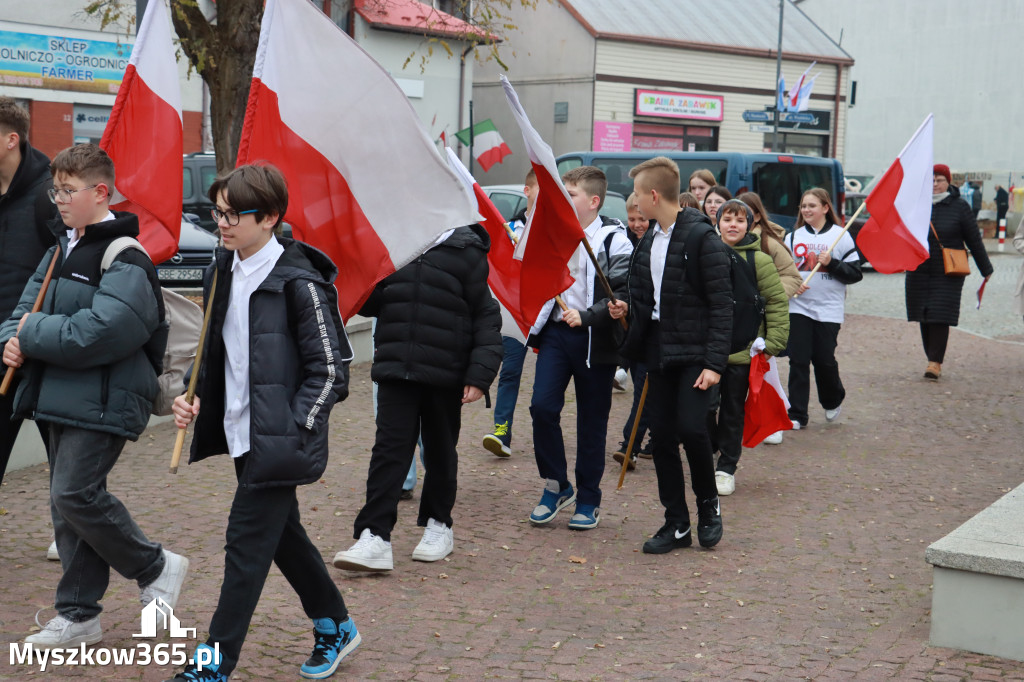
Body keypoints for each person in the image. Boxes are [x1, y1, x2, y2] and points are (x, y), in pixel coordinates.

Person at [163, 164, 358, 681]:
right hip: (240, 433)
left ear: (270, 217)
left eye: (232, 214)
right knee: (283, 535)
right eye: (216, 212)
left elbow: (333, 369)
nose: (220, 224)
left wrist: (295, 428)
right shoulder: (221, 270)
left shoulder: (301, 282)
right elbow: (214, 355)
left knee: (245, 543)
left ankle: (213, 664)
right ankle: (336, 624)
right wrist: (193, 394)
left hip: (279, 441)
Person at [0, 144, 187, 648]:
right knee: (66, 507)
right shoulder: (61, 248)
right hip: (57, 393)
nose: (57, 200)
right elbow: (23, 308)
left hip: (105, 400)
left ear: (100, 192)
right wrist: (11, 341)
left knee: (74, 494)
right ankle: (79, 614)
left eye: (66, 190)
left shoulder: (124, 256)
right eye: (54, 189)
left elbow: (103, 331)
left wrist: (31, 333)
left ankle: (155, 565)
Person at [333, 224, 501, 571]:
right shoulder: (396, 243)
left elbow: (485, 314)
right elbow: (377, 300)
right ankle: (375, 535)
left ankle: (439, 525)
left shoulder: (467, 252)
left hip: (445, 372)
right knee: (388, 451)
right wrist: (357, 275)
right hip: (397, 368)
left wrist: (479, 375)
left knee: (439, 451)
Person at [610, 156, 730, 554]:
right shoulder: (648, 239)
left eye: (639, 197)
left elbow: (721, 305)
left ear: (654, 195)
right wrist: (627, 307)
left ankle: (707, 506)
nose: (635, 206)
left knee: (693, 429)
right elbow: (643, 294)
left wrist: (714, 364)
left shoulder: (702, 238)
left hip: (696, 354)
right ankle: (676, 522)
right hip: (658, 350)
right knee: (660, 437)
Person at [527, 166, 631, 531]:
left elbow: (622, 291)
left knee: (592, 423)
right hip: (557, 333)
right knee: (541, 408)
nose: (563, 199)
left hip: (596, 339)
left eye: (570, 194)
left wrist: (588, 316)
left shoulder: (614, 239)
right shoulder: (553, 233)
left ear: (594, 201)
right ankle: (556, 484)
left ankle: (588, 498)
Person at [710, 200, 789, 496]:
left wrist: (774, 342)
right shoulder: (704, 254)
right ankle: (711, 450)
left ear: (749, 225)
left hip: (743, 351)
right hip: (708, 349)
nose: (733, 225)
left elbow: (777, 303)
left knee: (732, 410)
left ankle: (726, 467)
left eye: (739, 220)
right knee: (703, 408)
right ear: (717, 222)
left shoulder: (761, 261)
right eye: (727, 219)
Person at [0, 97, 56, 488]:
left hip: (40, 347)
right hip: (1, 347)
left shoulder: (49, 194)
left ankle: (72, 531)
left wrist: (39, 330)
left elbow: (70, 266)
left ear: (10, 140)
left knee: (65, 457)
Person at [905, 164, 993, 380]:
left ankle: (935, 362)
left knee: (939, 315)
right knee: (923, 315)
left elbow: (974, 239)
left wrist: (985, 268)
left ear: (948, 182)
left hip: (948, 270)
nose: (935, 184)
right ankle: (931, 356)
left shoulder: (960, 207)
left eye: (940, 180)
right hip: (919, 269)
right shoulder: (916, 205)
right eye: (931, 180)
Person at [784, 188, 862, 429]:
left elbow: (855, 274)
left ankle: (832, 399)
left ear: (825, 208)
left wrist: (832, 263)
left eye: (812, 206)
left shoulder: (841, 236)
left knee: (824, 359)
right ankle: (797, 414)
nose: (806, 210)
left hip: (828, 309)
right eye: (803, 206)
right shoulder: (792, 237)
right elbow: (783, 272)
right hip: (798, 307)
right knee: (798, 360)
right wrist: (791, 286)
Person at [482, 168, 537, 458]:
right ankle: (502, 429)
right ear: (527, 191)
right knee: (510, 372)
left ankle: (545, 427)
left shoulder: (554, 232)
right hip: (516, 315)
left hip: (547, 317)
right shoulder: (509, 228)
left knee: (551, 379)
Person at [613, 192, 653, 470]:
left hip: (654, 329)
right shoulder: (624, 241)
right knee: (643, 389)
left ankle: (631, 445)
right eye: (632, 219)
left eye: (643, 219)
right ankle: (633, 445)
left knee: (645, 393)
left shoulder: (659, 243)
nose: (637, 224)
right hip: (633, 330)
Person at [737, 191, 802, 298]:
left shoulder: (769, 244)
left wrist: (768, 298)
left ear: (757, 217)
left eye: (747, 211)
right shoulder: (723, 241)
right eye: (737, 211)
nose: (741, 216)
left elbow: (792, 277)